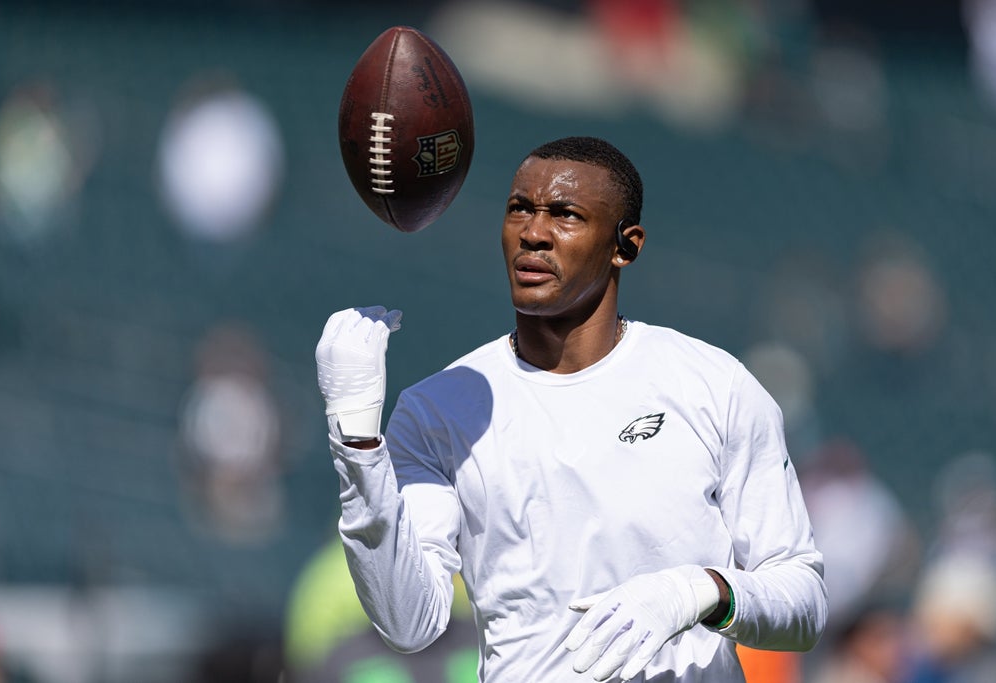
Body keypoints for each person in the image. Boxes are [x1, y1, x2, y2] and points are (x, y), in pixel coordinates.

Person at [315, 136, 828, 682]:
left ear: (625, 246)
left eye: (566, 215)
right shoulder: (438, 410)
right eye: (519, 209)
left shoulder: (714, 386)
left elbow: (804, 602)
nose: (533, 233)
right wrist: (357, 441)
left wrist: (695, 592)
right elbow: (409, 622)